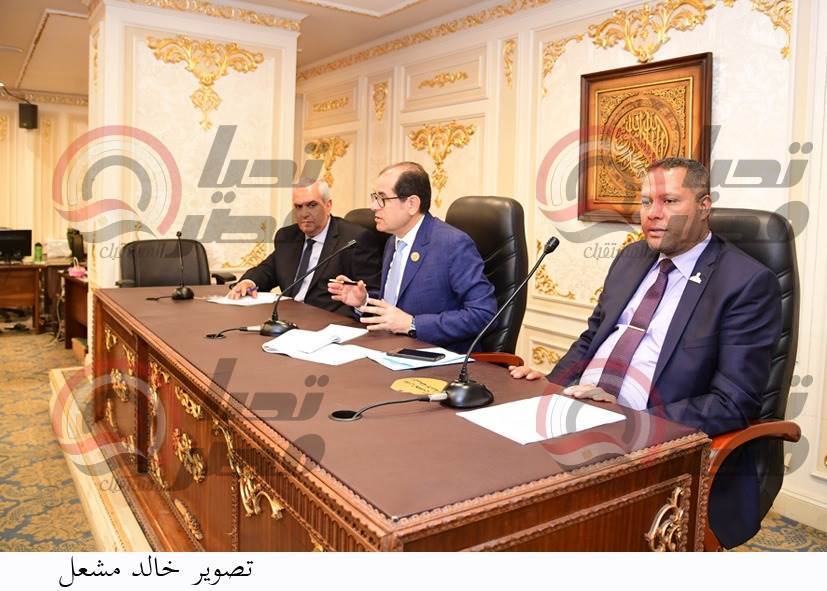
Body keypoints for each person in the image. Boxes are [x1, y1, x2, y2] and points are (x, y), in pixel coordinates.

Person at [510, 157, 782, 548]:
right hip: (582, 414)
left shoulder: (746, 283)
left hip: (652, 441)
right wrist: (553, 385)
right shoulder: (632, 258)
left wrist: (630, 419)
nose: (652, 214)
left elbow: (732, 402)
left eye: (669, 201)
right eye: (645, 202)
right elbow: (592, 339)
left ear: (704, 206)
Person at [327, 162, 497, 352]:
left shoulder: (453, 244)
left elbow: (484, 315)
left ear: (411, 204)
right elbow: (395, 305)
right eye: (374, 197)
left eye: (382, 198)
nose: (373, 206)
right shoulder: (393, 241)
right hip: (391, 350)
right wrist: (363, 301)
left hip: (438, 358)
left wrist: (413, 324)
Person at [227, 180, 382, 316]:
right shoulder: (287, 236)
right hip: (288, 316)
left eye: (312, 205)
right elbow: (267, 270)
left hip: (327, 322)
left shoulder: (354, 240)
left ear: (328, 205)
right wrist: (248, 282)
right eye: (298, 207)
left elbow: (371, 295)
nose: (304, 213)